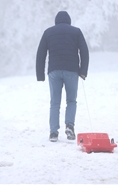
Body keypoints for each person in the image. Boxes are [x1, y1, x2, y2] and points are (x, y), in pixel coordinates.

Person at [36, 11, 89, 142]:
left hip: (54, 71)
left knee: (55, 102)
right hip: (71, 71)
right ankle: (69, 126)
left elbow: (40, 54)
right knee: (71, 100)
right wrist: (83, 70)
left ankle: (53, 133)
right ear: (69, 21)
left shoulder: (48, 32)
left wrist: (40, 75)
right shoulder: (76, 32)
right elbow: (84, 51)